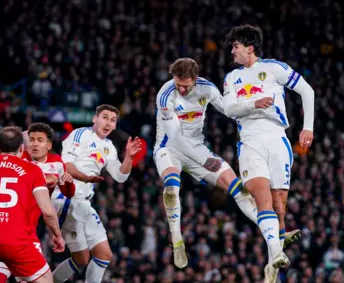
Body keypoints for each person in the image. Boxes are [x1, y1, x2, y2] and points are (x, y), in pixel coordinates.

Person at [153, 58, 300, 269]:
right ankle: (177, 240)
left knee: (239, 190)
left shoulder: (207, 89)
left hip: (197, 148)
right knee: (171, 187)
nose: (181, 89)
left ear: (195, 79)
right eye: (178, 84)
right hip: (169, 149)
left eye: (185, 85)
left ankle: (275, 243)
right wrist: (204, 159)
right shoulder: (165, 95)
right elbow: (175, 137)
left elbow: (229, 110)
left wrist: (254, 107)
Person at [222, 25, 315, 282]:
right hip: (251, 140)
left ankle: (275, 249)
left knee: (278, 205)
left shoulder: (275, 68)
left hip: (278, 138)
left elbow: (307, 90)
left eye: (236, 46)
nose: (232, 51)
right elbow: (229, 108)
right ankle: (275, 252)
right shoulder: (232, 78)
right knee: (261, 196)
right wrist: (254, 103)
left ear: (249, 48)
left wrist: (307, 128)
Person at [0, 126, 65, 283]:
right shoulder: (32, 170)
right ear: (22, 148)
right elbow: (48, 212)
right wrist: (57, 235)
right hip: (17, 240)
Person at [51, 104, 142, 283]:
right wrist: (85, 178)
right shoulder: (81, 134)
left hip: (81, 203)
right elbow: (66, 166)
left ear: (116, 125)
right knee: (100, 255)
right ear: (95, 119)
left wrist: (129, 158)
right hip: (67, 198)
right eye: (105, 117)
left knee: (86, 259)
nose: (108, 123)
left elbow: (120, 176)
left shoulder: (109, 146)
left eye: (113, 120)